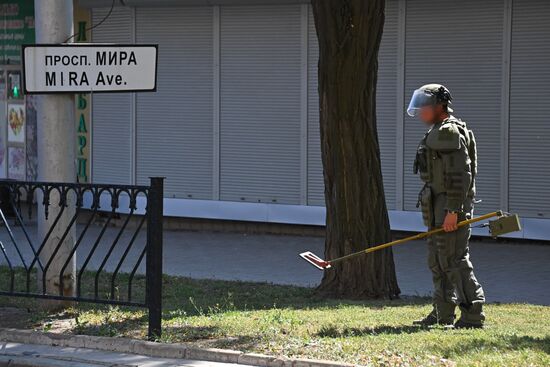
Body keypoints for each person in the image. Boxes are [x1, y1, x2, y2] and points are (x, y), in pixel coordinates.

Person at [407, 84, 485, 329]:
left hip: (450, 207)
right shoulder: (439, 130)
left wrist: (453, 211)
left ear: (439, 107)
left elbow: (459, 175)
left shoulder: (448, 132)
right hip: (437, 206)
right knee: (438, 260)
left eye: (424, 107)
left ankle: (472, 315)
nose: (420, 111)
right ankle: (443, 312)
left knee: (454, 260)